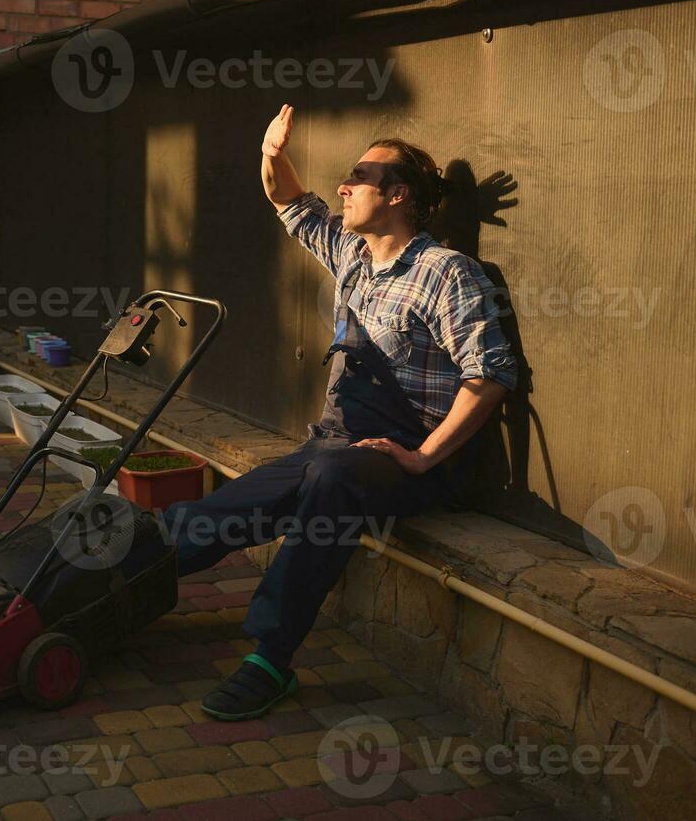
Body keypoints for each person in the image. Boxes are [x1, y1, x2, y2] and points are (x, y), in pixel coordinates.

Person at [162, 103, 518, 720]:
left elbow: (489, 377)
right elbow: (287, 201)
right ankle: (116, 576)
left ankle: (272, 657)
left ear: (399, 195)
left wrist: (421, 457)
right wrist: (273, 154)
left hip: (408, 458)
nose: (343, 186)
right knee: (219, 511)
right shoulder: (351, 253)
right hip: (334, 445)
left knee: (330, 479)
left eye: (360, 176)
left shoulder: (447, 274)